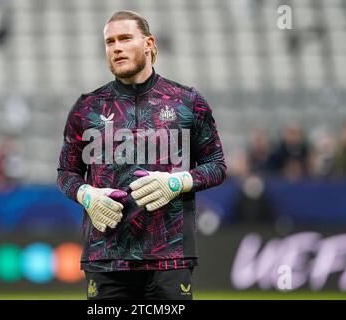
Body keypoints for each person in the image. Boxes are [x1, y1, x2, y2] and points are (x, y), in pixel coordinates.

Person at [57, 11, 226, 300]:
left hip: (170, 258)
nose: (116, 47)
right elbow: (66, 173)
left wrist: (178, 182)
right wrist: (86, 194)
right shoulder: (87, 107)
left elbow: (216, 166)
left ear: (149, 43)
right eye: (110, 42)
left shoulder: (187, 101)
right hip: (106, 256)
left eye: (125, 38)